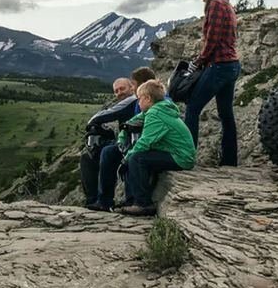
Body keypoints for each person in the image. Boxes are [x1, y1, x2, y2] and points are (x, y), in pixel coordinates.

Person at [183, 0, 242, 166]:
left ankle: (187, 157)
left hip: (219, 65)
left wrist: (198, 61)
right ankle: (229, 161)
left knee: (193, 108)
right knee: (226, 113)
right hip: (232, 65)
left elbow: (212, 40)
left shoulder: (215, 5)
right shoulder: (227, 5)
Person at [118, 79, 195, 216]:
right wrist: (122, 136)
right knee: (137, 156)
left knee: (136, 159)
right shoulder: (157, 109)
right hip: (175, 153)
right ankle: (132, 200)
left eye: (139, 99)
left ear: (148, 98)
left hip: (180, 157)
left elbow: (145, 142)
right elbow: (131, 123)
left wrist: (125, 160)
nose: (138, 102)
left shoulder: (155, 114)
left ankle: (143, 204)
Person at [89, 67, 160, 211]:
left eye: (131, 85)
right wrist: (122, 137)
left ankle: (131, 200)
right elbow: (133, 123)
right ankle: (105, 201)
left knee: (127, 155)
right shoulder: (141, 101)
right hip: (136, 139)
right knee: (109, 152)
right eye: (116, 91)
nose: (132, 89)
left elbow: (147, 131)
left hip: (149, 143)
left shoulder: (149, 103)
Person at [80, 78, 136, 209]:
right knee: (87, 157)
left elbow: (106, 115)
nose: (119, 93)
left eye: (122, 89)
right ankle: (94, 200)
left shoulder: (131, 100)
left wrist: (91, 123)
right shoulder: (129, 102)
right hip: (125, 140)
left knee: (106, 152)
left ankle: (103, 201)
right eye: (116, 91)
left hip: (132, 143)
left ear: (132, 87)